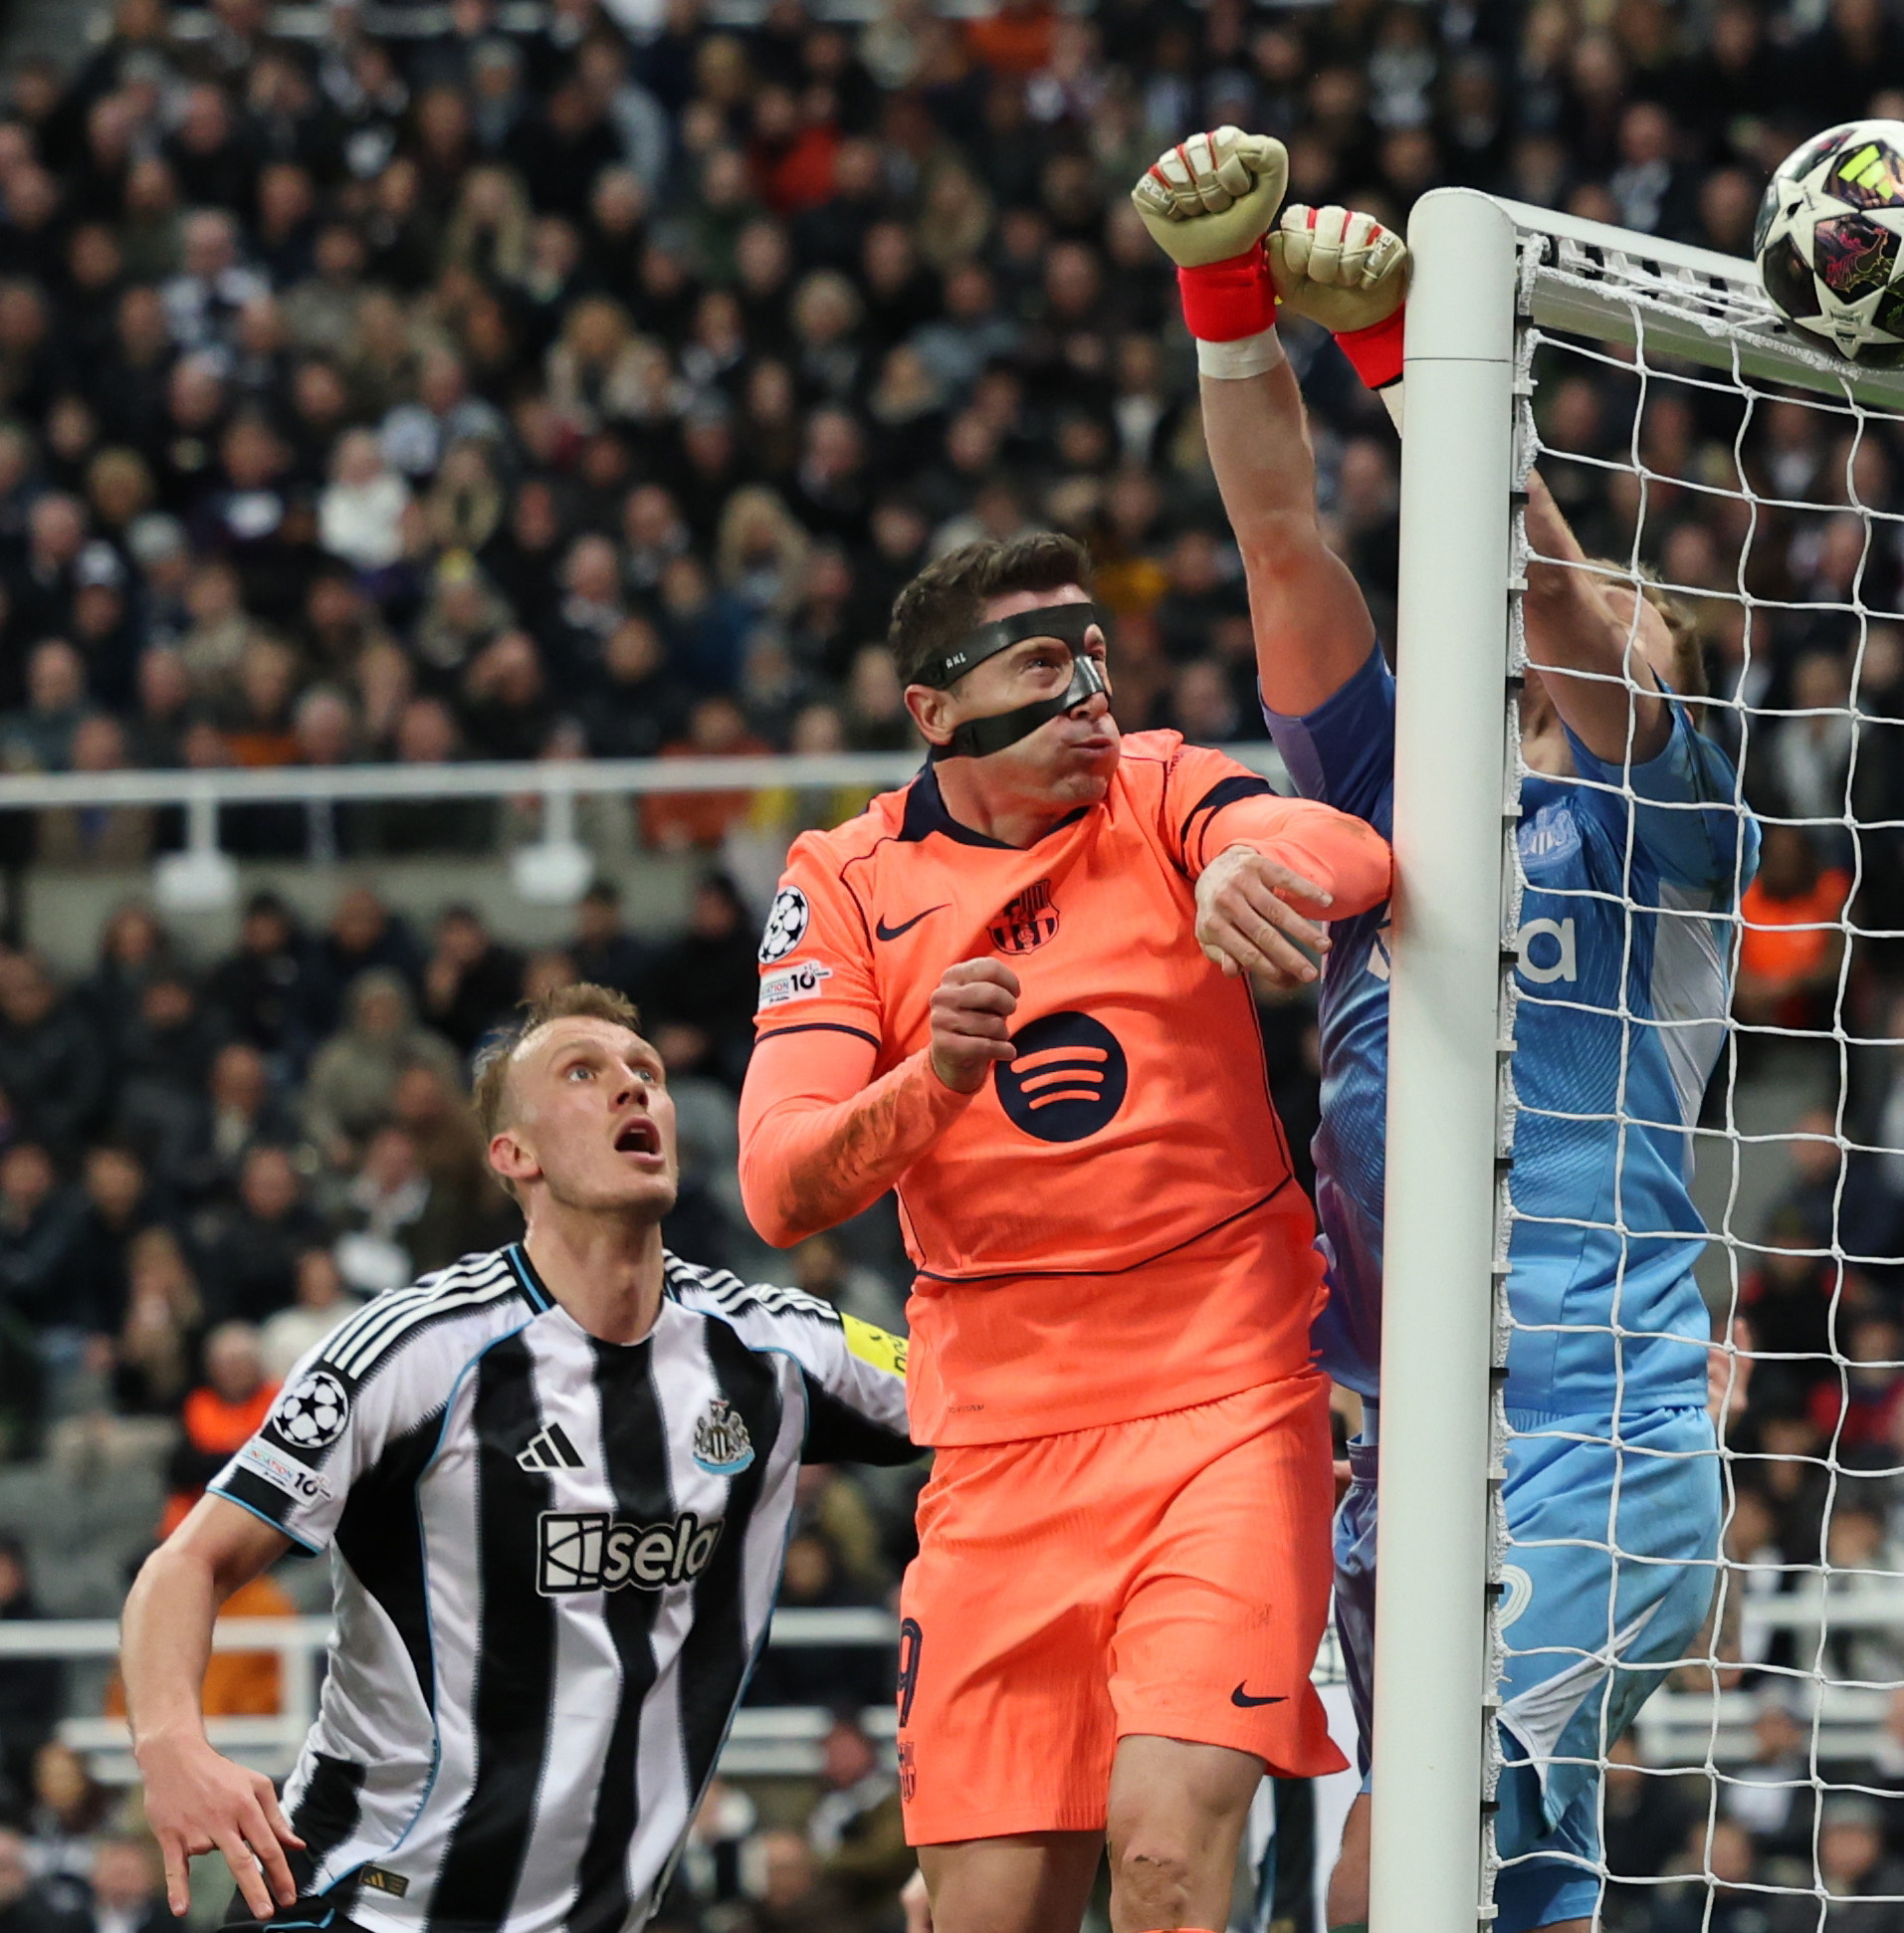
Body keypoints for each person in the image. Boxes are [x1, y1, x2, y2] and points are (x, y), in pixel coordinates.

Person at [1132, 128, 1760, 1933]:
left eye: (1648, 624)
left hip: (1607, 1423)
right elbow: (1278, 544)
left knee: (1420, 1836)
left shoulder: (1671, 830)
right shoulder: (1386, 787)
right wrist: (1230, 305)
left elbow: (1569, 615)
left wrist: (1422, 362)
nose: (1600, 625)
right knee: (1511, 1876)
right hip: (1397, 1436)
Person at [737, 532, 1392, 1933]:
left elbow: (1345, 845)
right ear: (935, 709)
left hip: (1225, 1402)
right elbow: (782, 1184)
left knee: (1164, 1866)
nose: (1090, 689)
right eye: (1043, 662)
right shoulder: (846, 879)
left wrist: (1245, 868)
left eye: (1095, 653)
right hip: (998, 1447)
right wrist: (931, 1084)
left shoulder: (1156, 789)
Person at [119, 984, 920, 1933]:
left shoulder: (780, 1349)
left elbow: (1003, 1395)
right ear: (515, 1156)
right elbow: (187, 1561)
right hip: (359, 1907)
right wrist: (170, 1742)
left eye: (647, 1074)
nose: (632, 1087)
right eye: (585, 1072)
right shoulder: (411, 1349)